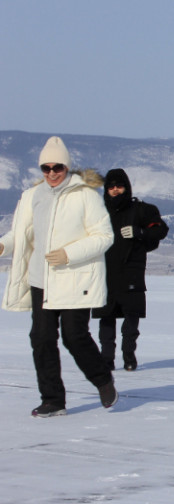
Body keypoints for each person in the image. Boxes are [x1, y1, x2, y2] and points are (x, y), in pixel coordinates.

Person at [0, 136, 118, 417]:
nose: (51, 173)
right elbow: (21, 234)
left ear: (67, 167)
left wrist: (69, 254)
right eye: (46, 168)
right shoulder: (32, 196)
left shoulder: (85, 195)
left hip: (75, 279)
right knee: (41, 339)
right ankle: (52, 400)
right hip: (41, 280)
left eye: (57, 167)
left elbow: (104, 237)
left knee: (74, 337)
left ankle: (102, 380)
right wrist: (4, 244)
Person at [94, 169, 169, 372]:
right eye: (111, 187)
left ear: (126, 187)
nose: (115, 190)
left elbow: (161, 229)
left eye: (119, 186)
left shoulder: (141, 210)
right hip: (104, 272)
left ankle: (129, 356)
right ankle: (106, 358)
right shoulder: (97, 211)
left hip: (131, 272)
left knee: (131, 320)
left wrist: (140, 232)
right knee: (106, 319)